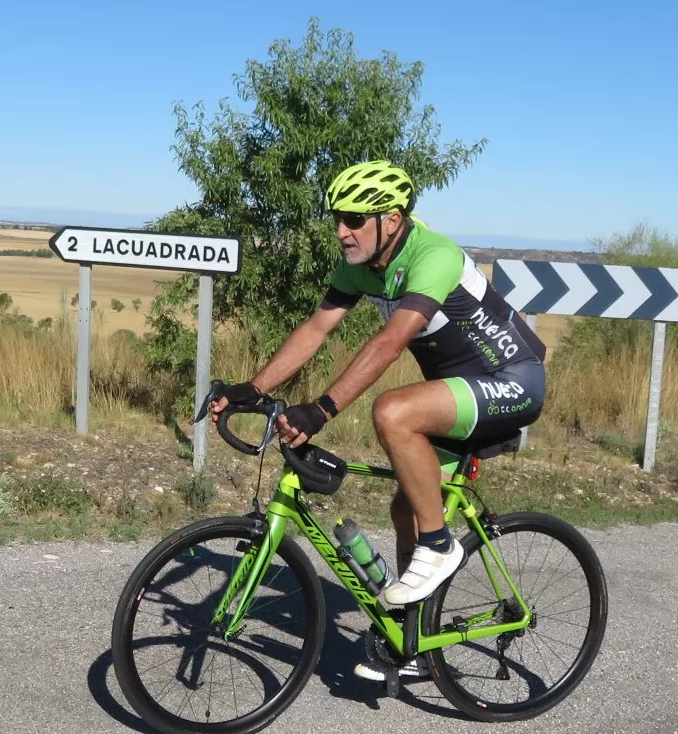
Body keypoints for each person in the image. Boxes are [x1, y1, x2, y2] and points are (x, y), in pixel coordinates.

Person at [210, 159, 547, 681]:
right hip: (457, 392)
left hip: (513, 381)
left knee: (392, 411)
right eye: (337, 219)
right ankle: (413, 644)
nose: (341, 231)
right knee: (405, 504)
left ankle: (440, 547)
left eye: (353, 219)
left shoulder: (433, 255)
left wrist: (322, 409)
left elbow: (390, 343)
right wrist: (253, 388)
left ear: (391, 219)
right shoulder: (360, 263)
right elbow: (317, 328)